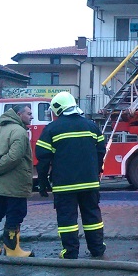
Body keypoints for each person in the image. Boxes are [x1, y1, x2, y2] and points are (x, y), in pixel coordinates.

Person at [36, 92, 106, 259]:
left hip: (64, 184)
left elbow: (43, 158)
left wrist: (43, 181)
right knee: (93, 216)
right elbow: (101, 151)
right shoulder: (91, 126)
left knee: (67, 220)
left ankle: (70, 252)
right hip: (90, 183)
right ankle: (97, 249)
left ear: (57, 109)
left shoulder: (51, 129)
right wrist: (94, 172)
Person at [0, 104, 35, 257]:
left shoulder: (0, 130)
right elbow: (14, 156)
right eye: (29, 113)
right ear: (19, 114)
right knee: (16, 213)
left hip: (0, 184)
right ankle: (12, 249)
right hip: (15, 183)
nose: (31, 117)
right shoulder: (20, 132)